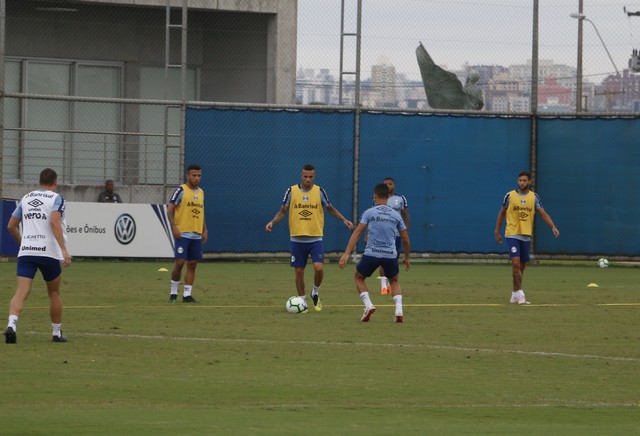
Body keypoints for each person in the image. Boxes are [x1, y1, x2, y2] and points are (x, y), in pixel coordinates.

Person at [265, 164, 354, 312]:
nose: (308, 179)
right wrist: (272, 222)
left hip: (315, 238)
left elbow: (330, 208)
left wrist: (344, 220)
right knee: (299, 271)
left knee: (318, 268)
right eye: (305, 176)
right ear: (301, 175)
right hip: (297, 239)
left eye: (310, 177)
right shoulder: (291, 191)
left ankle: (315, 292)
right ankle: (303, 302)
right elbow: (282, 211)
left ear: (314, 176)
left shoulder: (319, 192)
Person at [4, 168, 73, 344]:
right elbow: (54, 221)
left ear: (39, 181)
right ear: (55, 182)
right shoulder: (57, 199)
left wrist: (23, 243)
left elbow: (11, 226)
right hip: (48, 252)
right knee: (54, 292)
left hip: (27, 251)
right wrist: (64, 250)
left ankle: (12, 324)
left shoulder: (26, 199)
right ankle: (56, 333)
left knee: (21, 291)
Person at [339, 183, 410, 322]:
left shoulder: (369, 212)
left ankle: (368, 305)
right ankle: (399, 310)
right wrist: (406, 257)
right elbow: (405, 239)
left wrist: (346, 253)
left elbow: (358, 232)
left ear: (375, 196)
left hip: (372, 254)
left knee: (359, 278)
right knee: (394, 281)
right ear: (389, 196)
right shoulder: (396, 215)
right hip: (390, 255)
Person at [494, 170, 560, 305]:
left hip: (526, 236)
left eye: (524, 180)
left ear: (529, 181)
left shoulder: (534, 197)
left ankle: (514, 294)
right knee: (515, 264)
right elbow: (502, 213)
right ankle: (521, 294)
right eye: (520, 180)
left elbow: (542, 213)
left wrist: (552, 226)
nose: (522, 183)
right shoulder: (510, 196)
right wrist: (497, 231)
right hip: (512, 234)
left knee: (521, 268)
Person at [167, 163, 208, 303]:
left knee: (192, 264)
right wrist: (174, 226)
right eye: (194, 175)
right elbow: (170, 208)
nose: (197, 178)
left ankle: (187, 295)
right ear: (187, 176)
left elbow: (201, 212)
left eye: (199, 175)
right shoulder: (181, 190)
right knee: (179, 262)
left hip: (196, 234)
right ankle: (173, 292)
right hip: (182, 232)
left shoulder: (201, 192)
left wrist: (204, 229)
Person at [375, 177, 409, 294]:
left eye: (390, 184)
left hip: (396, 235)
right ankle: (383, 287)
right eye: (386, 184)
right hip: (382, 234)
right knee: (382, 259)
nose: (388, 186)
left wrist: (405, 229)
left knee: (393, 259)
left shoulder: (400, 199)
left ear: (394, 186)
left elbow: (405, 215)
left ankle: (391, 284)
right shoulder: (378, 199)